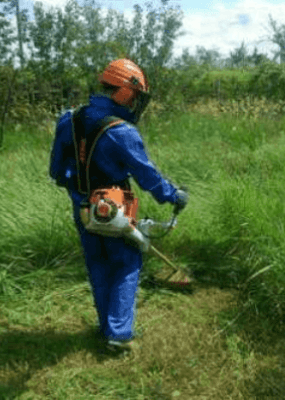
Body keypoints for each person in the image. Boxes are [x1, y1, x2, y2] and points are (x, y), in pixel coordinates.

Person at [49, 58, 188, 354]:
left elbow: (56, 172)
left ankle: (106, 327)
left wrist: (82, 194)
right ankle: (120, 334)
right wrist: (174, 195)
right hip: (116, 210)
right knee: (126, 263)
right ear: (124, 92)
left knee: (97, 264)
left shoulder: (69, 119)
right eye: (136, 96)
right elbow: (147, 176)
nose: (136, 102)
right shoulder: (122, 131)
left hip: (84, 210)